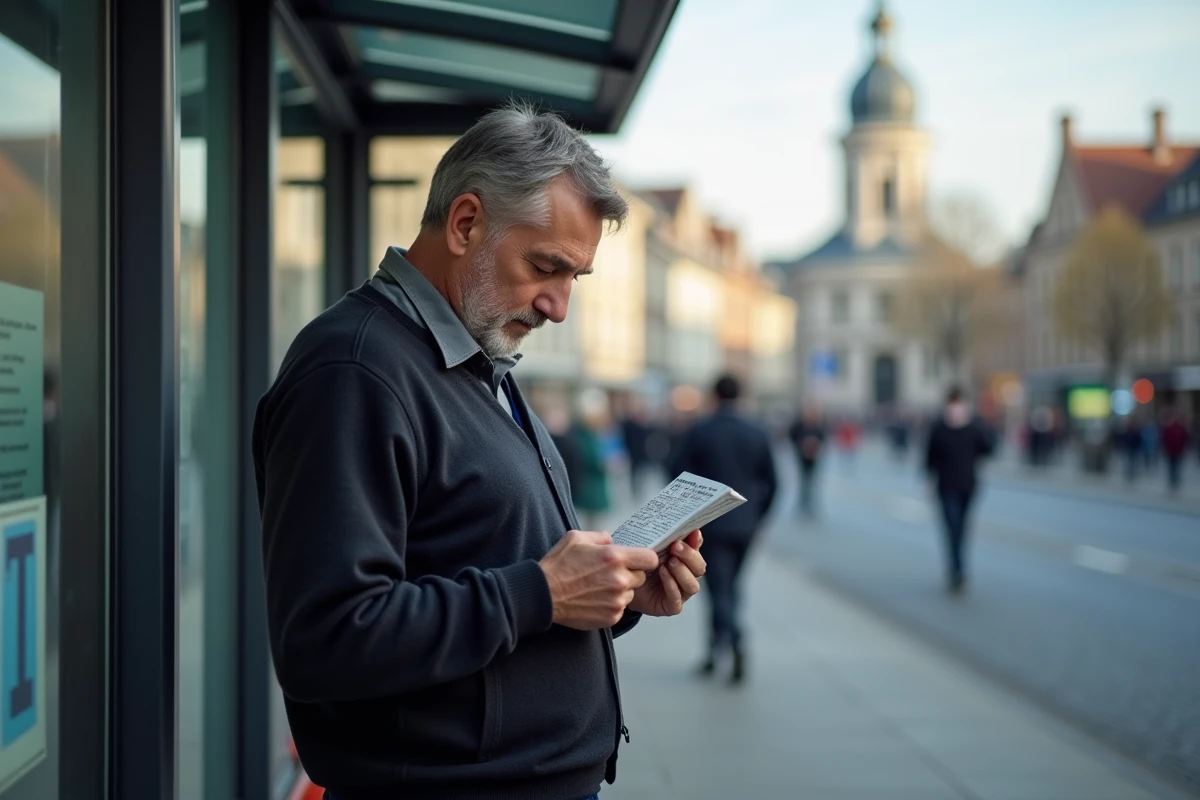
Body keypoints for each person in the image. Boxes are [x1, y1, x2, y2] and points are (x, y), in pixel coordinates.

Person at [253, 102, 708, 800]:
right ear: (466, 223)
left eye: (574, 279)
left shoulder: (475, 359)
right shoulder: (353, 370)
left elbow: (491, 579)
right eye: (545, 266)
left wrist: (614, 598)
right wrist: (541, 591)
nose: (558, 306)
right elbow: (327, 640)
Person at [671, 375, 778, 684]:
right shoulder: (757, 432)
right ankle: (715, 651)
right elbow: (773, 483)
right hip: (745, 524)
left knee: (718, 591)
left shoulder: (700, 431)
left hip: (710, 524)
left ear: (713, 396)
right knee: (731, 587)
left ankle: (734, 641)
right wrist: (759, 517)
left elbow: (676, 471)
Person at [924, 386, 995, 594]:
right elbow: (929, 458)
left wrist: (983, 424)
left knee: (962, 528)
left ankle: (958, 567)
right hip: (945, 487)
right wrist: (929, 482)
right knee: (952, 527)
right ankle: (957, 570)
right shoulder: (939, 428)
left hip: (967, 486)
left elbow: (988, 449)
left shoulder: (973, 428)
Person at [788, 405, 825, 517]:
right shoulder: (799, 426)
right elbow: (792, 436)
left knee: (811, 481)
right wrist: (801, 445)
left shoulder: (817, 426)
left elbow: (822, 438)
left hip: (813, 457)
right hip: (802, 456)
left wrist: (814, 445)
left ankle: (809, 503)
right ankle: (803, 503)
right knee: (804, 480)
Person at [1160, 408, 1190, 493]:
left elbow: (1185, 439)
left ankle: (1175, 480)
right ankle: (1172, 480)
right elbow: (1165, 439)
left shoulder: (1181, 428)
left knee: (1176, 466)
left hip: (1177, 451)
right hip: (1171, 451)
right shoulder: (1169, 428)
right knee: (1172, 466)